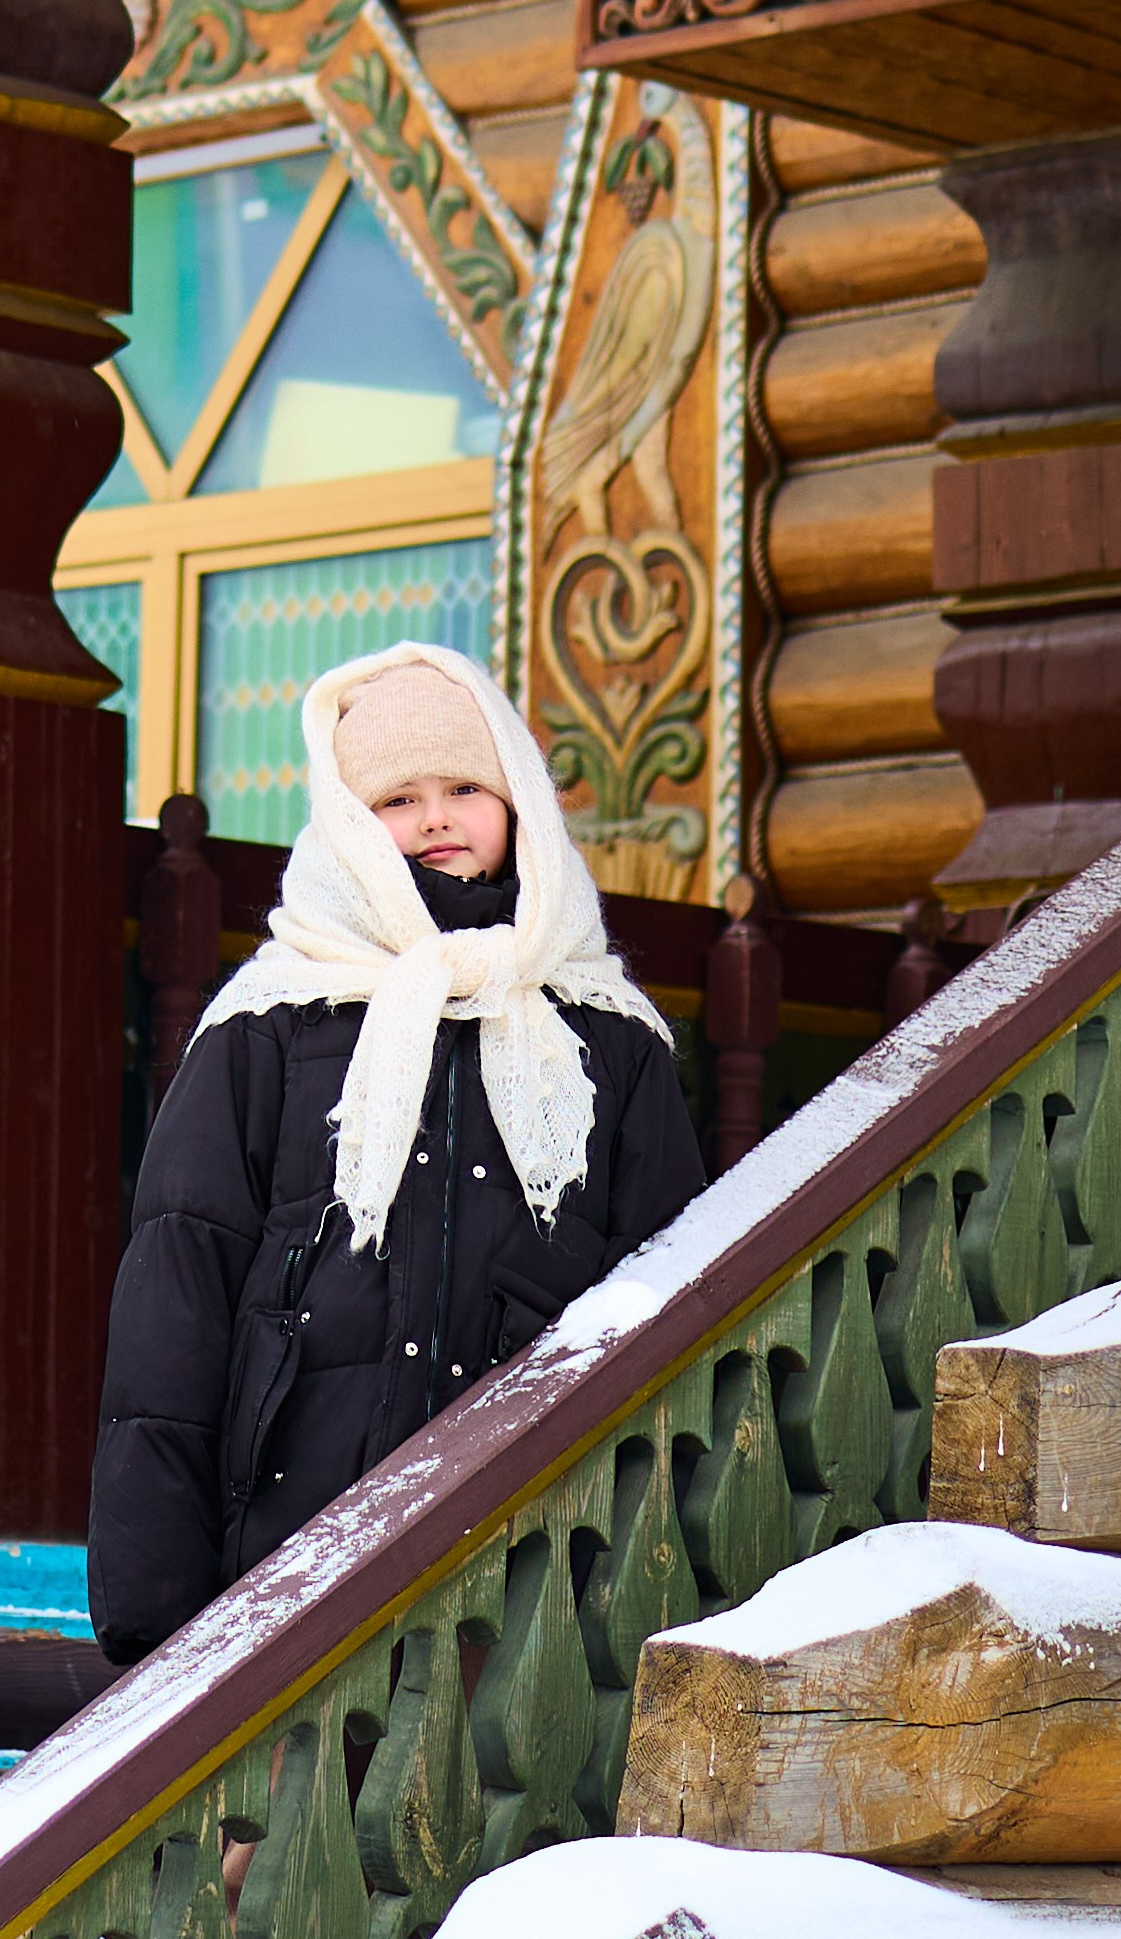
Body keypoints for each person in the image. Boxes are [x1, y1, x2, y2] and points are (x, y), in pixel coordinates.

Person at [87, 640, 708, 1667]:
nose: (434, 819)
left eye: (465, 786)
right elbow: (176, 1301)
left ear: (515, 802)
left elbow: (665, 1295)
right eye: (397, 797)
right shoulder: (268, 1022)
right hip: (288, 1564)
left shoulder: (608, 1036)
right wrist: (156, 1606)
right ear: (347, 821)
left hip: (531, 1568)